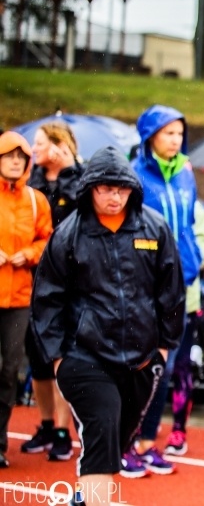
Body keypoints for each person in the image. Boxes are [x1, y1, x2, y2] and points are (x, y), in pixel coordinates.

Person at [31, 146, 184, 502]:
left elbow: (171, 292)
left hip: (142, 359)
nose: (115, 197)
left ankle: (87, 497)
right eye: (105, 188)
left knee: (116, 438)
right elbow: (47, 298)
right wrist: (57, 357)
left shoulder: (154, 227)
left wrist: (162, 348)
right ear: (90, 189)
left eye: (122, 188)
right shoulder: (69, 234)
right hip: (83, 355)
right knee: (101, 423)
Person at [129, 104, 202, 476]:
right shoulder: (135, 175)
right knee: (144, 364)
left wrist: (194, 261)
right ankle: (129, 441)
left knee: (168, 365)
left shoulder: (186, 175)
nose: (175, 140)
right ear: (150, 136)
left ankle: (147, 442)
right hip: (147, 287)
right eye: (168, 133)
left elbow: (189, 224)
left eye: (179, 133)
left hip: (183, 285)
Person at [21, 121, 85, 462]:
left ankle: (62, 429)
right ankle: (46, 424)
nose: (34, 149)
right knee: (37, 358)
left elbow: (84, 214)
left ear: (59, 145)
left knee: (62, 356)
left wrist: (71, 165)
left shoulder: (79, 180)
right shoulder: (29, 183)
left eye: (40, 143)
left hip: (67, 283)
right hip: (31, 280)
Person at [0, 131, 52, 469]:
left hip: (19, 297)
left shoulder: (36, 201)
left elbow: (47, 239)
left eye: (21, 156)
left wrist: (29, 254)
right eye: (9, 155)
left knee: (8, 372)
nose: (16, 161)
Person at [164, 200, 204, 456]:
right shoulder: (145, 198)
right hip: (149, 303)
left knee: (179, 366)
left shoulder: (194, 209)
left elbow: (202, 254)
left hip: (186, 301)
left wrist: (171, 261)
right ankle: (139, 431)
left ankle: (178, 430)